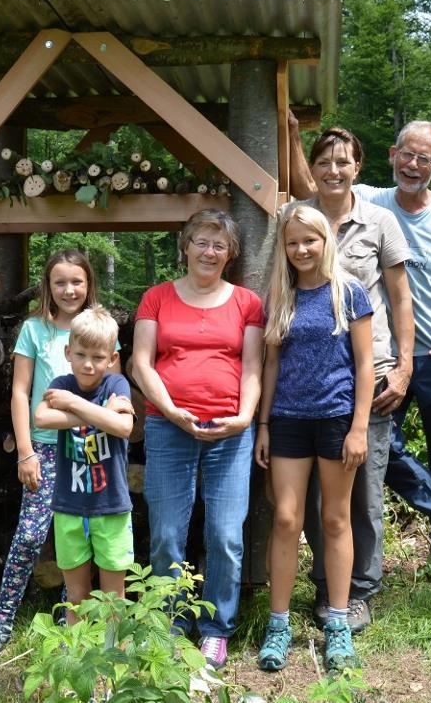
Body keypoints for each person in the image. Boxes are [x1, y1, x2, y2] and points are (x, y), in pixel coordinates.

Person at [323, 119, 431, 575]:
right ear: (393, 155)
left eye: (424, 158)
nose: (413, 165)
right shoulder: (371, 199)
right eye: (407, 155)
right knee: (381, 447)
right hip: (381, 359)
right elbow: (315, 181)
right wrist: (290, 127)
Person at [288, 125, 413, 634]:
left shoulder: (380, 221)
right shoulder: (294, 219)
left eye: (344, 162)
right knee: (318, 495)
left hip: (371, 375)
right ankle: (326, 584)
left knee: (363, 489)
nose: (334, 170)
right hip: (306, 380)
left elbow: (401, 298)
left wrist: (405, 367)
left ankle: (359, 591)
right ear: (312, 168)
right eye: (324, 162)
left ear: (358, 167)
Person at [130, 208, 265, 670]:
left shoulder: (247, 302)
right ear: (185, 246)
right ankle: (168, 623)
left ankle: (216, 628)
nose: (209, 252)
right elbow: (140, 364)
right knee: (168, 533)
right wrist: (170, 410)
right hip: (170, 428)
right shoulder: (157, 298)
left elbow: (252, 367)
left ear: (231, 254)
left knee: (225, 535)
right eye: (201, 242)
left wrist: (245, 416)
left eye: (219, 245)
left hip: (230, 431)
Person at [0, 250, 110, 665]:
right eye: (60, 282)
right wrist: (25, 450)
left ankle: (74, 623)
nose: (69, 290)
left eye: (77, 282)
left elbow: (110, 384)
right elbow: (19, 392)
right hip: (45, 447)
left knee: (80, 536)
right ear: (48, 286)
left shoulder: (99, 328)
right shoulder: (35, 329)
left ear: (89, 285)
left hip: (88, 447)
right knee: (31, 535)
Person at [254, 204, 374, 674]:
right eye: (292, 242)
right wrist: (263, 424)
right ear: (283, 248)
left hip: (336, 418)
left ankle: (338, 625)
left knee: (335, 519)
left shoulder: (349, 292)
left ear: (325, 241)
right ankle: (278, 623)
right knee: (285, 518)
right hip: (286, 418)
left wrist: (359, 427)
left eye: (310, 240)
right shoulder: (280, 295)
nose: (301, 249)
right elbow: (271, 364)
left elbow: (365, 365)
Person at [34, 306, 135, 624]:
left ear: (111, 358)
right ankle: (79, 661)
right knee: (76, 596)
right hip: (69, 505)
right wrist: (101, 413)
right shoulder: (61, 381)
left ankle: (111, 659)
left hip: (111, 506)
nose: (89, 364)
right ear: (68, 352)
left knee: (112, 598)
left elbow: (123, 428)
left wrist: (74, 404)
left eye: (98, 357)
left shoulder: (117, 385)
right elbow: (41, 417)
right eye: (81, 354)